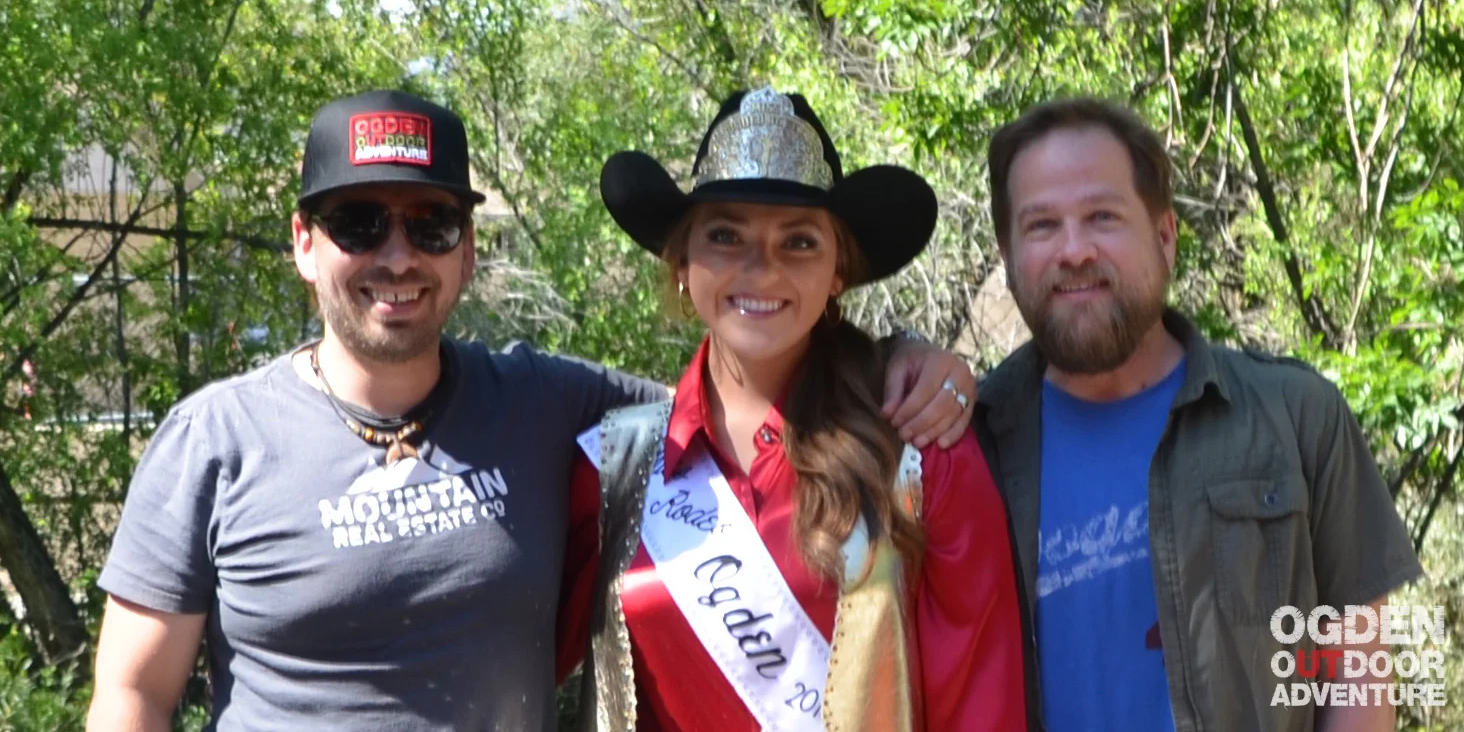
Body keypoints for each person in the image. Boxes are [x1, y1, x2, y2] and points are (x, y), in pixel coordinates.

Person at [84, 90, 980, 732]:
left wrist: (904, 362)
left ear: (467, 250)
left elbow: (743, 397)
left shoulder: (560, 410)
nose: (397, 256)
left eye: (430, 224)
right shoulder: (212, 438)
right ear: (304, 242)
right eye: (360, 222)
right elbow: (132, 695)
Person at [555, 87, 1028, 732]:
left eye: (799, 242)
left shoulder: (919, 452)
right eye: (725, 235)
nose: (761, 267)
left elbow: (981, 704)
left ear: (837, 270)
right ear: (683, 264)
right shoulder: (611, 469)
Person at [971, 97, 1425, 732]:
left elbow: (1356, 669)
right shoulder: (968, 445)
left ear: (1164, 236)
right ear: (1010, 254)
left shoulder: (1295, 418)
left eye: (1102, 216)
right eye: (1042, 225)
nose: (1073, 250)